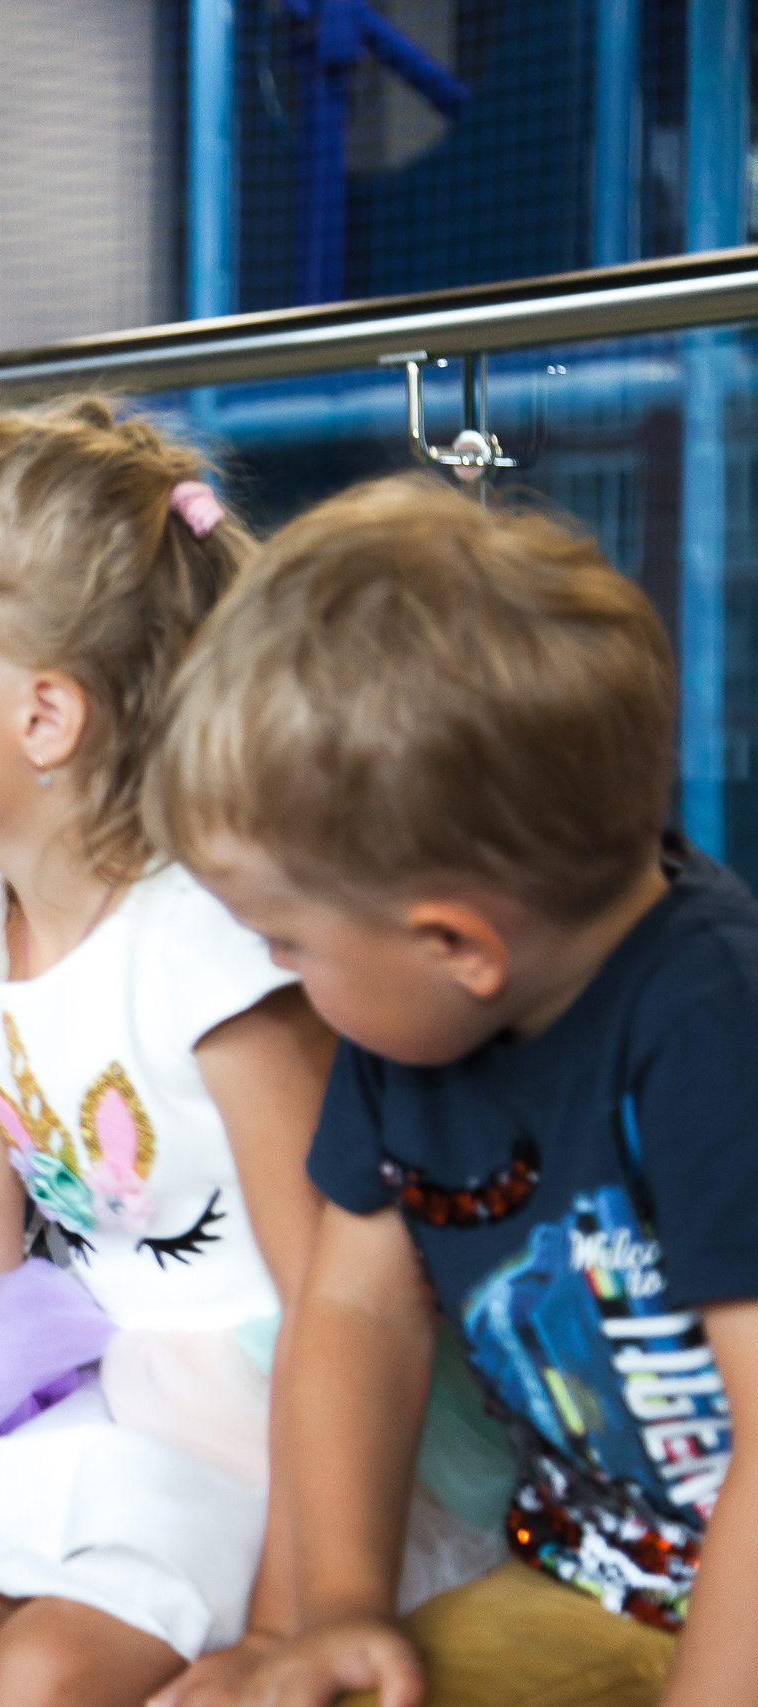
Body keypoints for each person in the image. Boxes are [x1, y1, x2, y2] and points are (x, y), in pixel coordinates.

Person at [145, 478, 755, 1707]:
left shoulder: (707, 1027)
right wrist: (338, 1616)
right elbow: (355, 1314)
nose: (281, 976)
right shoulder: (407, 1026)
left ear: (458, 944)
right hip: (593, 1585)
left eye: (289, 943)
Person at [0, 401, 337, 1707]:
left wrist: (287, 1621)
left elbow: (331, 1287)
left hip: (267, 1424)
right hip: (100, 1390)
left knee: (48, 1670)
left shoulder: (206, 938)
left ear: (45, 715)